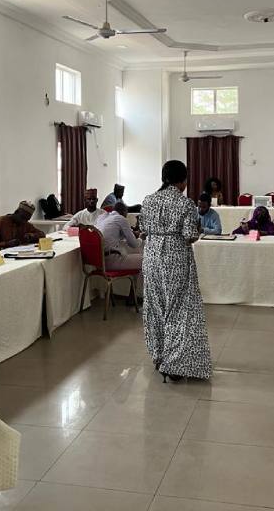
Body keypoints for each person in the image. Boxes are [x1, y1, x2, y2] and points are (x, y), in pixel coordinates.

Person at [141, 160, 212, 382]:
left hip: (151, 256)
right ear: (182, 181)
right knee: (178, 308)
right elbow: (190, 235)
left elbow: (142, 231)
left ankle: (158, 355)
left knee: (155, 306)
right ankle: (174, 364)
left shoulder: (148, 200)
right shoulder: (185, 203)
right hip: (175, 258)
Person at [94, 202, 143, 271]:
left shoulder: (101, 217)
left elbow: (111, 234)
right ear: (124, 211)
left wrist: (132, 233)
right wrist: (141, 238)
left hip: (98, 261)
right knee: (147, 260)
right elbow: (134, 244)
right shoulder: (120, 218)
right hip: (111, 260)